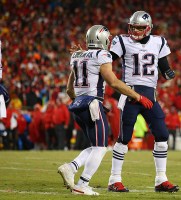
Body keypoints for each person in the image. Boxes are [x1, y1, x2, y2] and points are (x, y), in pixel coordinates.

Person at [57, 25, 153, 196]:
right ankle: (82, 184)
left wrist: (80, 100)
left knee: (95, 146)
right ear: (102, 39)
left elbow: (69, 90)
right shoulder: (102, 55)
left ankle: (70, 167)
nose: (109, 42)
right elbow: (113, 82)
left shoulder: (76, 56)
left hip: (77, 105)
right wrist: (137, 96)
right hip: (92, 105)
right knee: (101, 148)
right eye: (107, 39)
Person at [107, 11, 179, 192]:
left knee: (162, 135)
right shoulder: (122, 41)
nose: (136, 31)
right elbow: (108, 60)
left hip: (150, 94)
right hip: (130, 92)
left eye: (140, 28)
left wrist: (167, 71)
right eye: (133, 27)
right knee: (124, 137)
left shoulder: (158, 41)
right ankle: (114, 179)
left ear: (148, 28)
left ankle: (161, 179)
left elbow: (162, 62)